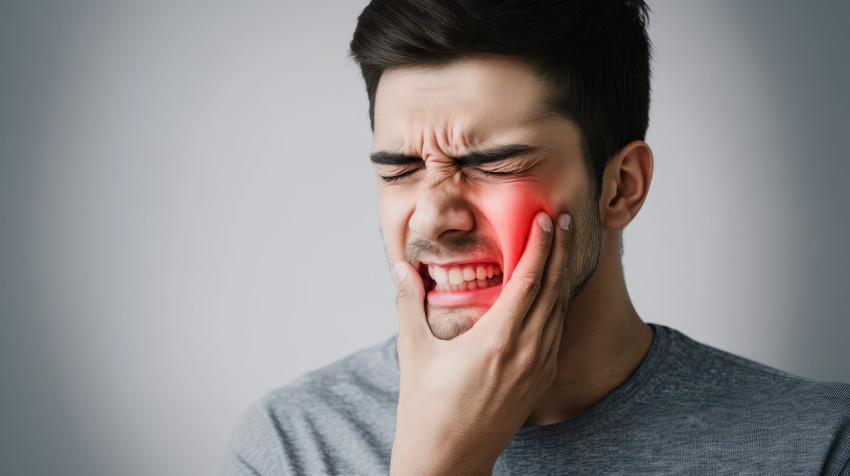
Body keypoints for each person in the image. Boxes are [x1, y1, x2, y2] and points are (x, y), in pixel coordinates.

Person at [225, 1, 850, 474]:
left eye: (495, 165)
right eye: (401, 170)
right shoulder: (293, 445)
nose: (432, 218)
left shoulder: (818, 445)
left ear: (621, 187)